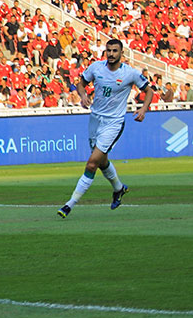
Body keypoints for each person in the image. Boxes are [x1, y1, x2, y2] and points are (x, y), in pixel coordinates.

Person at [58, 39, 153, 218]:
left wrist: (143, 109)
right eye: (108, 50)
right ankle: (119, 188)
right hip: (95, 120)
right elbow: (80, 84)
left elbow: (149, 91)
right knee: (101, 161)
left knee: (92, 162)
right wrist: (83, 95)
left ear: (121, 53)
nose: (111, 54)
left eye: (115, 51)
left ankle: (69, 204)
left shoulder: (130, 73)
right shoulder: (96, 68)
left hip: (114, 123)